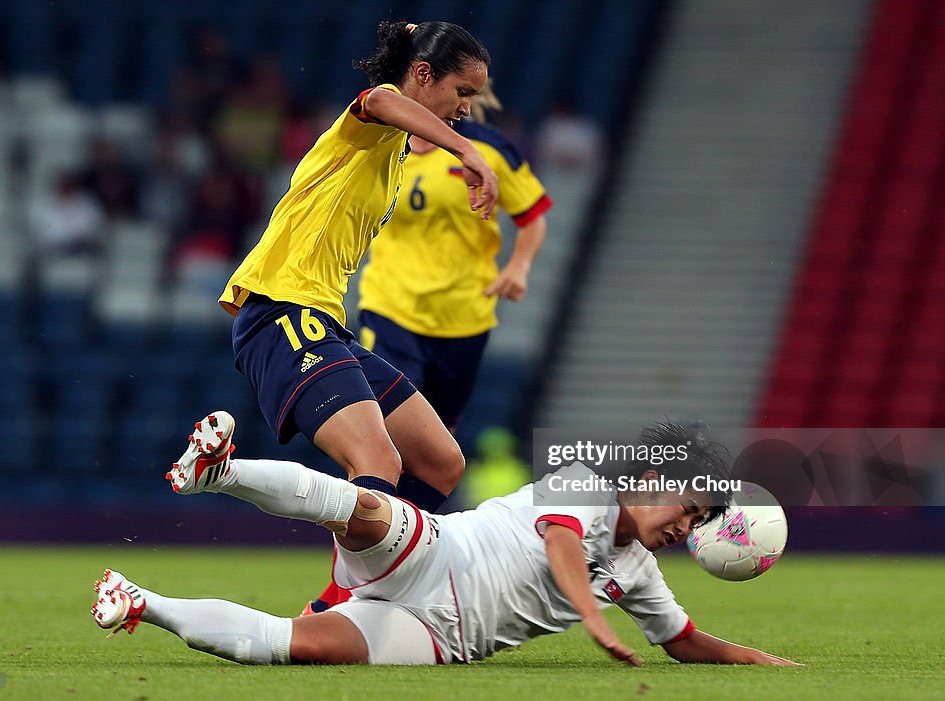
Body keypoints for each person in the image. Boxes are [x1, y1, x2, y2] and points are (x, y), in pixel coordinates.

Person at [91, 416, 799, 667]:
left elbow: (680, 638)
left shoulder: (639, 572)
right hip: (436, 550)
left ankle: (138, 599)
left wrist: (764, 661)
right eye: (689, 504)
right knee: (364, 509)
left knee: (295, 646)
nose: (686, 525)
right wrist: (589, 616)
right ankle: (221, 470)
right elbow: (559, 543)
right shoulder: (583, 481)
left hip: (436, 636)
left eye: (699, 519)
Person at [215, 21, 498, 521]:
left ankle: (360, 588)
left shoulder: (393, 154)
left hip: (324, 320)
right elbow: (381, 99)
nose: (466, 108)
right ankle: (340, 595)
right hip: (282, 307)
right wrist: (467, 149)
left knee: (440, 464)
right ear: (424, 73)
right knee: (377, 461)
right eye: (462, 92)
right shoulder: (379, 117)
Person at [355, 81, 551, 432]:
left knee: (439, 437)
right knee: (388, 423)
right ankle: (373, 486)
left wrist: (519, 267)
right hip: (390, 305)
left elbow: (532, 217)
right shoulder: (380, 143)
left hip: (463, 314)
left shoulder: (488, 148)